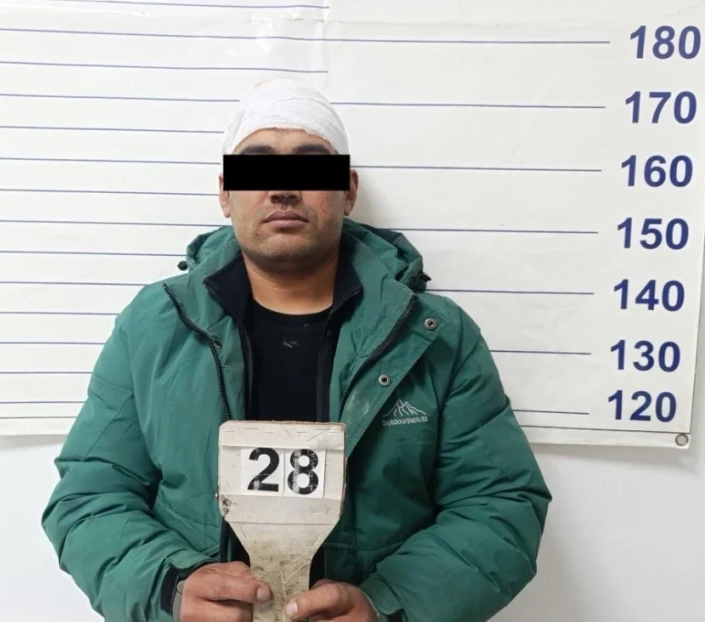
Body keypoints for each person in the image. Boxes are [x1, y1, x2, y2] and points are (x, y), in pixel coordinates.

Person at [41, 78, 552, 622]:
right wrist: (170, 586)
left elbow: (501, 506)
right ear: (225, 193)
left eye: (311, 166)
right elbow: (89, 496)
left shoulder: (436, 335)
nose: (283, 187)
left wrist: (385, 607)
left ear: (347, 190)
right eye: (257, 167)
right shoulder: (154, 324)